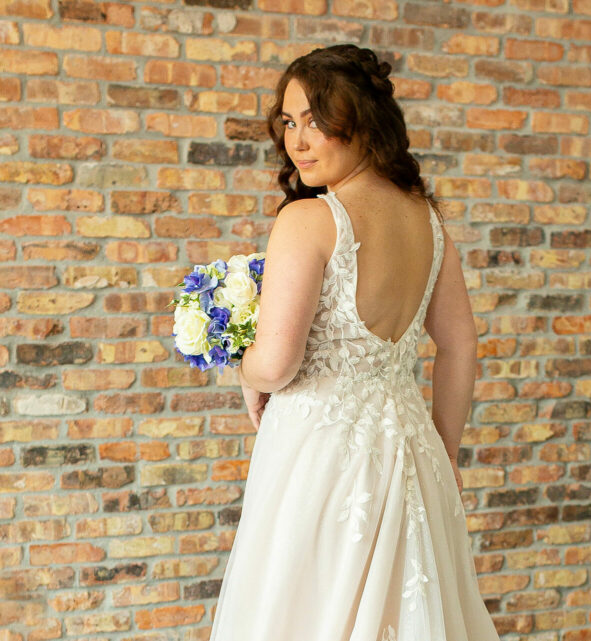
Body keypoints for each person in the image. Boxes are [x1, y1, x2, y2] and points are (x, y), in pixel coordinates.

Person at [207, 44, 500, 641]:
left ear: (361, 122)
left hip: (321, 456)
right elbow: (460, 343)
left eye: (317, 121)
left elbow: (278, 361)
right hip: (412, 449)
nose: (299, 141)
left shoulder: (309, 220)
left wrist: (243, 368)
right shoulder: (427, 221)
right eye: (290, 122)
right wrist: (444, 450)